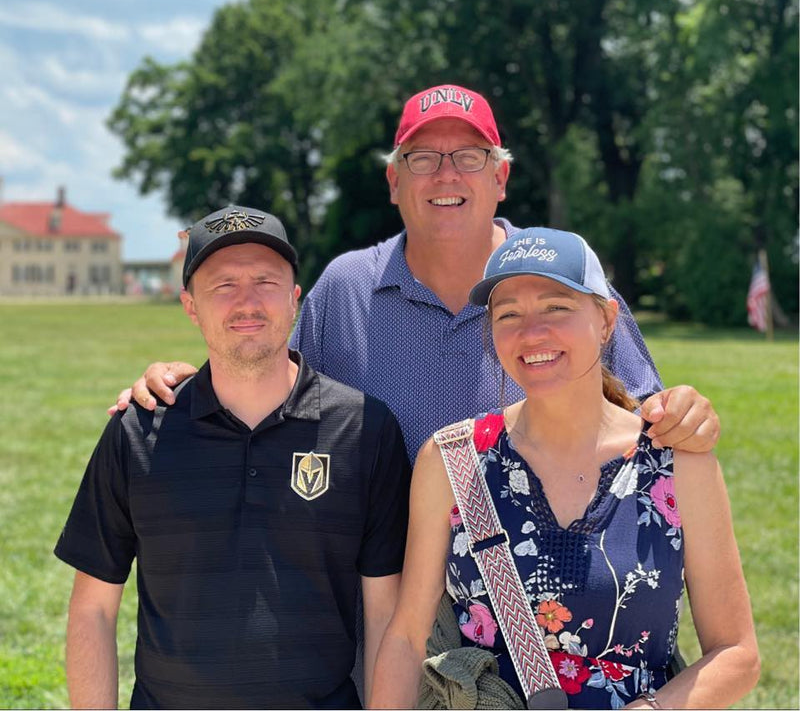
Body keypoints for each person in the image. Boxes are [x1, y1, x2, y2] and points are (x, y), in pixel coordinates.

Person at [111, 84, 721, 463]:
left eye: (469, 157)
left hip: (538, 604)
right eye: (423, 158)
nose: (446, 175)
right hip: (381, 604)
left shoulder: (563, 280)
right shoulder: (346, 290)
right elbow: (262, 393)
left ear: (500, 178)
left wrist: (685, 413)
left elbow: (646, 416)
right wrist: (180, 386)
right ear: (395, 182)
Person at [369, 226, 759, 710]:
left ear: (606, 319)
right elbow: (406, 640)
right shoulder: (451, 460)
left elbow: (737, 653)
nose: (532, 333)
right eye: (508, 314)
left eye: (556, 307)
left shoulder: (676, 460)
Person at [55, 206, 410, 709]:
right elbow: (92, 608)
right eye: (223, 285)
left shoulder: (364, 429)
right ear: (190, 306)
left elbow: (385, 615)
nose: (247, 302)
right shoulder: (137, 431)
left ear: (294, 299)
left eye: (265, 281)